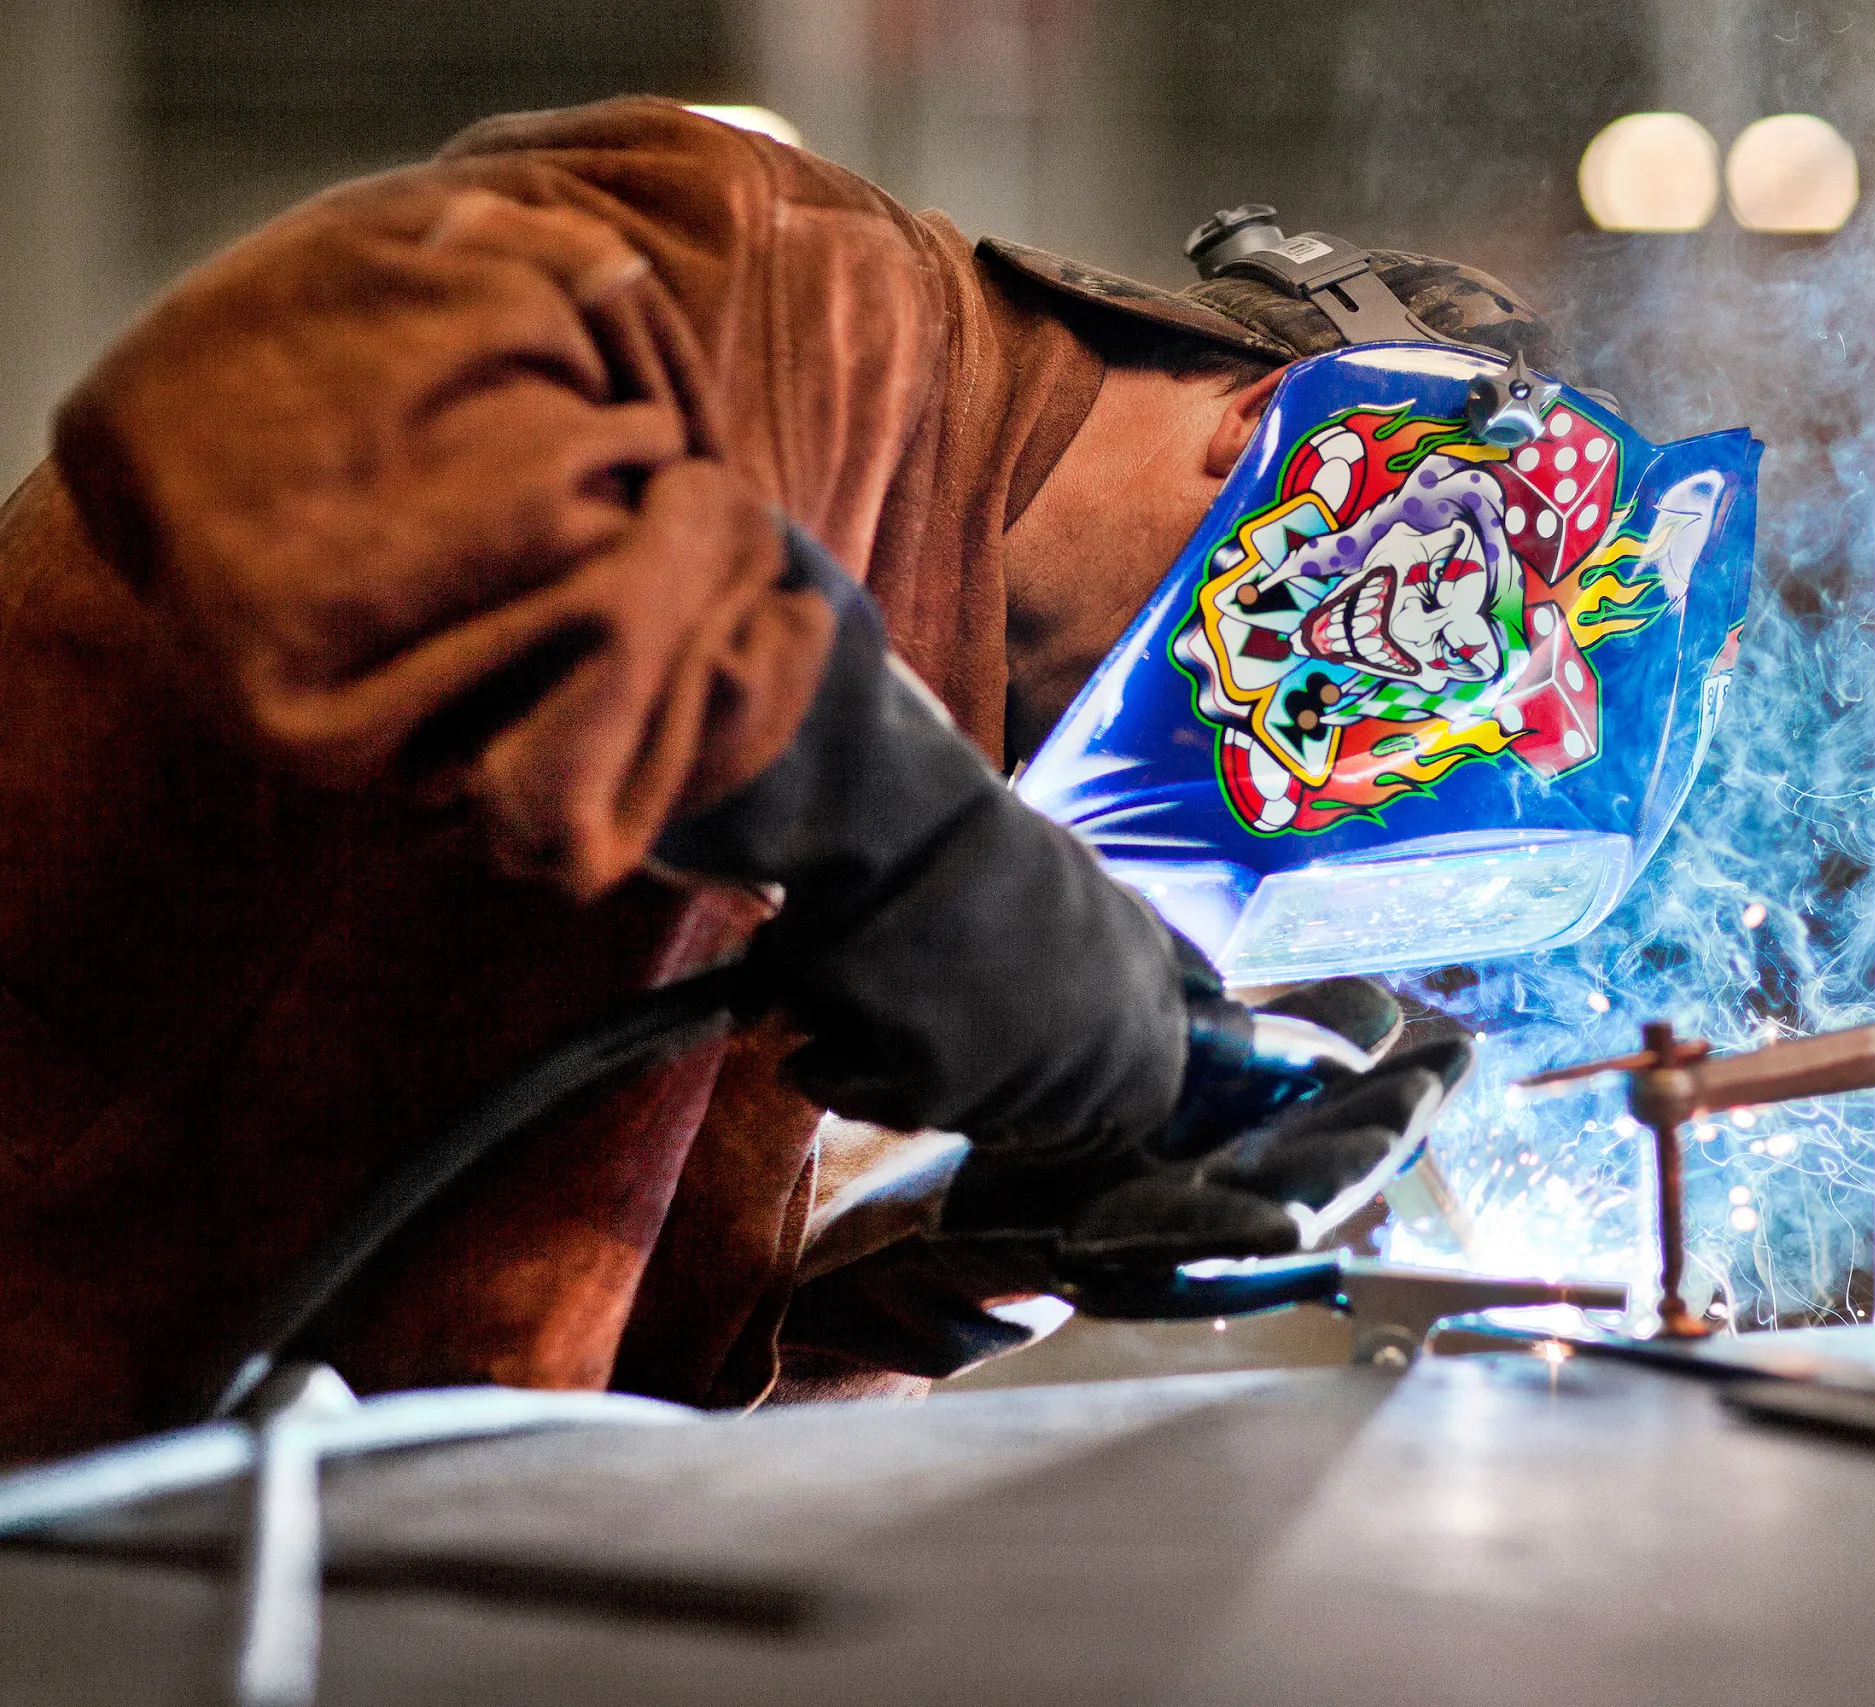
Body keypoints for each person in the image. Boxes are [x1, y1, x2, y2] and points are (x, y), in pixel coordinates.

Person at [0, 97, 1559, 1460]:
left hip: (248, 1556)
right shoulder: (800, 289)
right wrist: (893, 824)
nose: (1241, 807)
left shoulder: (986, 754)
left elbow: (627, 1355)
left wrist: (978, 1242)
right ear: (1253, 439)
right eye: (1317, 709)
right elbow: (291, 407)